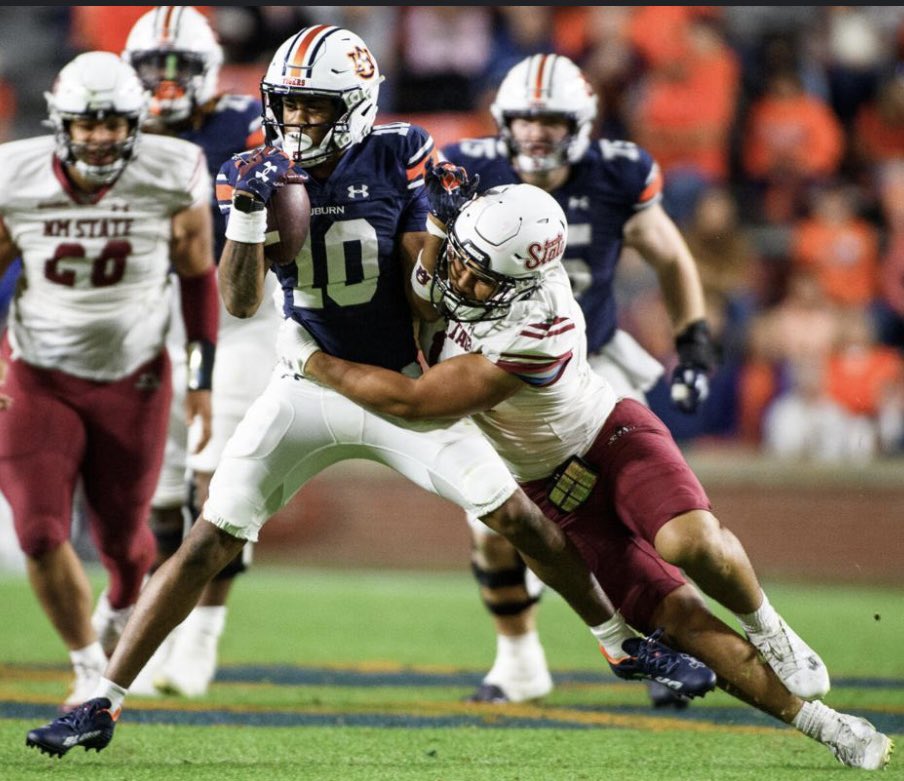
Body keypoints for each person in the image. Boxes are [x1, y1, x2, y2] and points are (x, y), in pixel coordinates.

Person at [25, 26, 714, 759]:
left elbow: (427, 291)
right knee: (206, 538)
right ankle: (102, 700)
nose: (296, 123)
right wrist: (251, 214)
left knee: (515, 514)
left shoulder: (401, 150)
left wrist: (446, 228)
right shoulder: (252, 165)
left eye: (313, 108)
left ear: (354, 106)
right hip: (307, 381)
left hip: (401, 379)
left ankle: (620, 643)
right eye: (287, 106)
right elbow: (240, 299)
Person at [270, 182, 889, 769]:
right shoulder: (485, 264)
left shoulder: (536, 326)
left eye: (481, 278)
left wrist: (312, 359)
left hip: (610, 441)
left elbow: (415, 403)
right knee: (677, 620)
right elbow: (434, 282)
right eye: (463, 261)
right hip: (550, 488)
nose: (461, 280)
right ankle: (826, 726)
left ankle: (768, 625)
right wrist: (439, 224)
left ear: (524, 281)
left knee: (687, 542)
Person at [439, 53, 716, 707]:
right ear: (502, 120)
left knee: (646, 508)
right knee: (494, 518)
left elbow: (669, 252)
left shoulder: (616, 171)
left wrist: (695, 343)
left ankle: (676, 641)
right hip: (503, 361)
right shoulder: (467, 167)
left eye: (552, 119)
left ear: (583, 122)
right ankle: (519, 660)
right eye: (525, 120)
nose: (536, 133)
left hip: (593, 357)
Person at [0, 51, 218, 710]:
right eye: (86, 123)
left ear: (137, 122)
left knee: (126, 543)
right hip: (38, 372)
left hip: (135, 377)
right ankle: (89, 662)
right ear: (60, 123)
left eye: (114, 122)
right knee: (38, 531)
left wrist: (202, 379)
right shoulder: (15, 174)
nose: (99, 136)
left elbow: (198, 274)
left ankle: (121, 612)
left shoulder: (172, 170)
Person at [108, 4, 271, 698]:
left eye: (180, 67)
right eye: (155, 67)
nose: (167, 81)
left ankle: (203, 634)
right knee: (159, 491)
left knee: (220, 480)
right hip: (157, 323)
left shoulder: (248, 124)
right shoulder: (110, 128)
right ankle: (158, 627)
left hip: (244, 320)